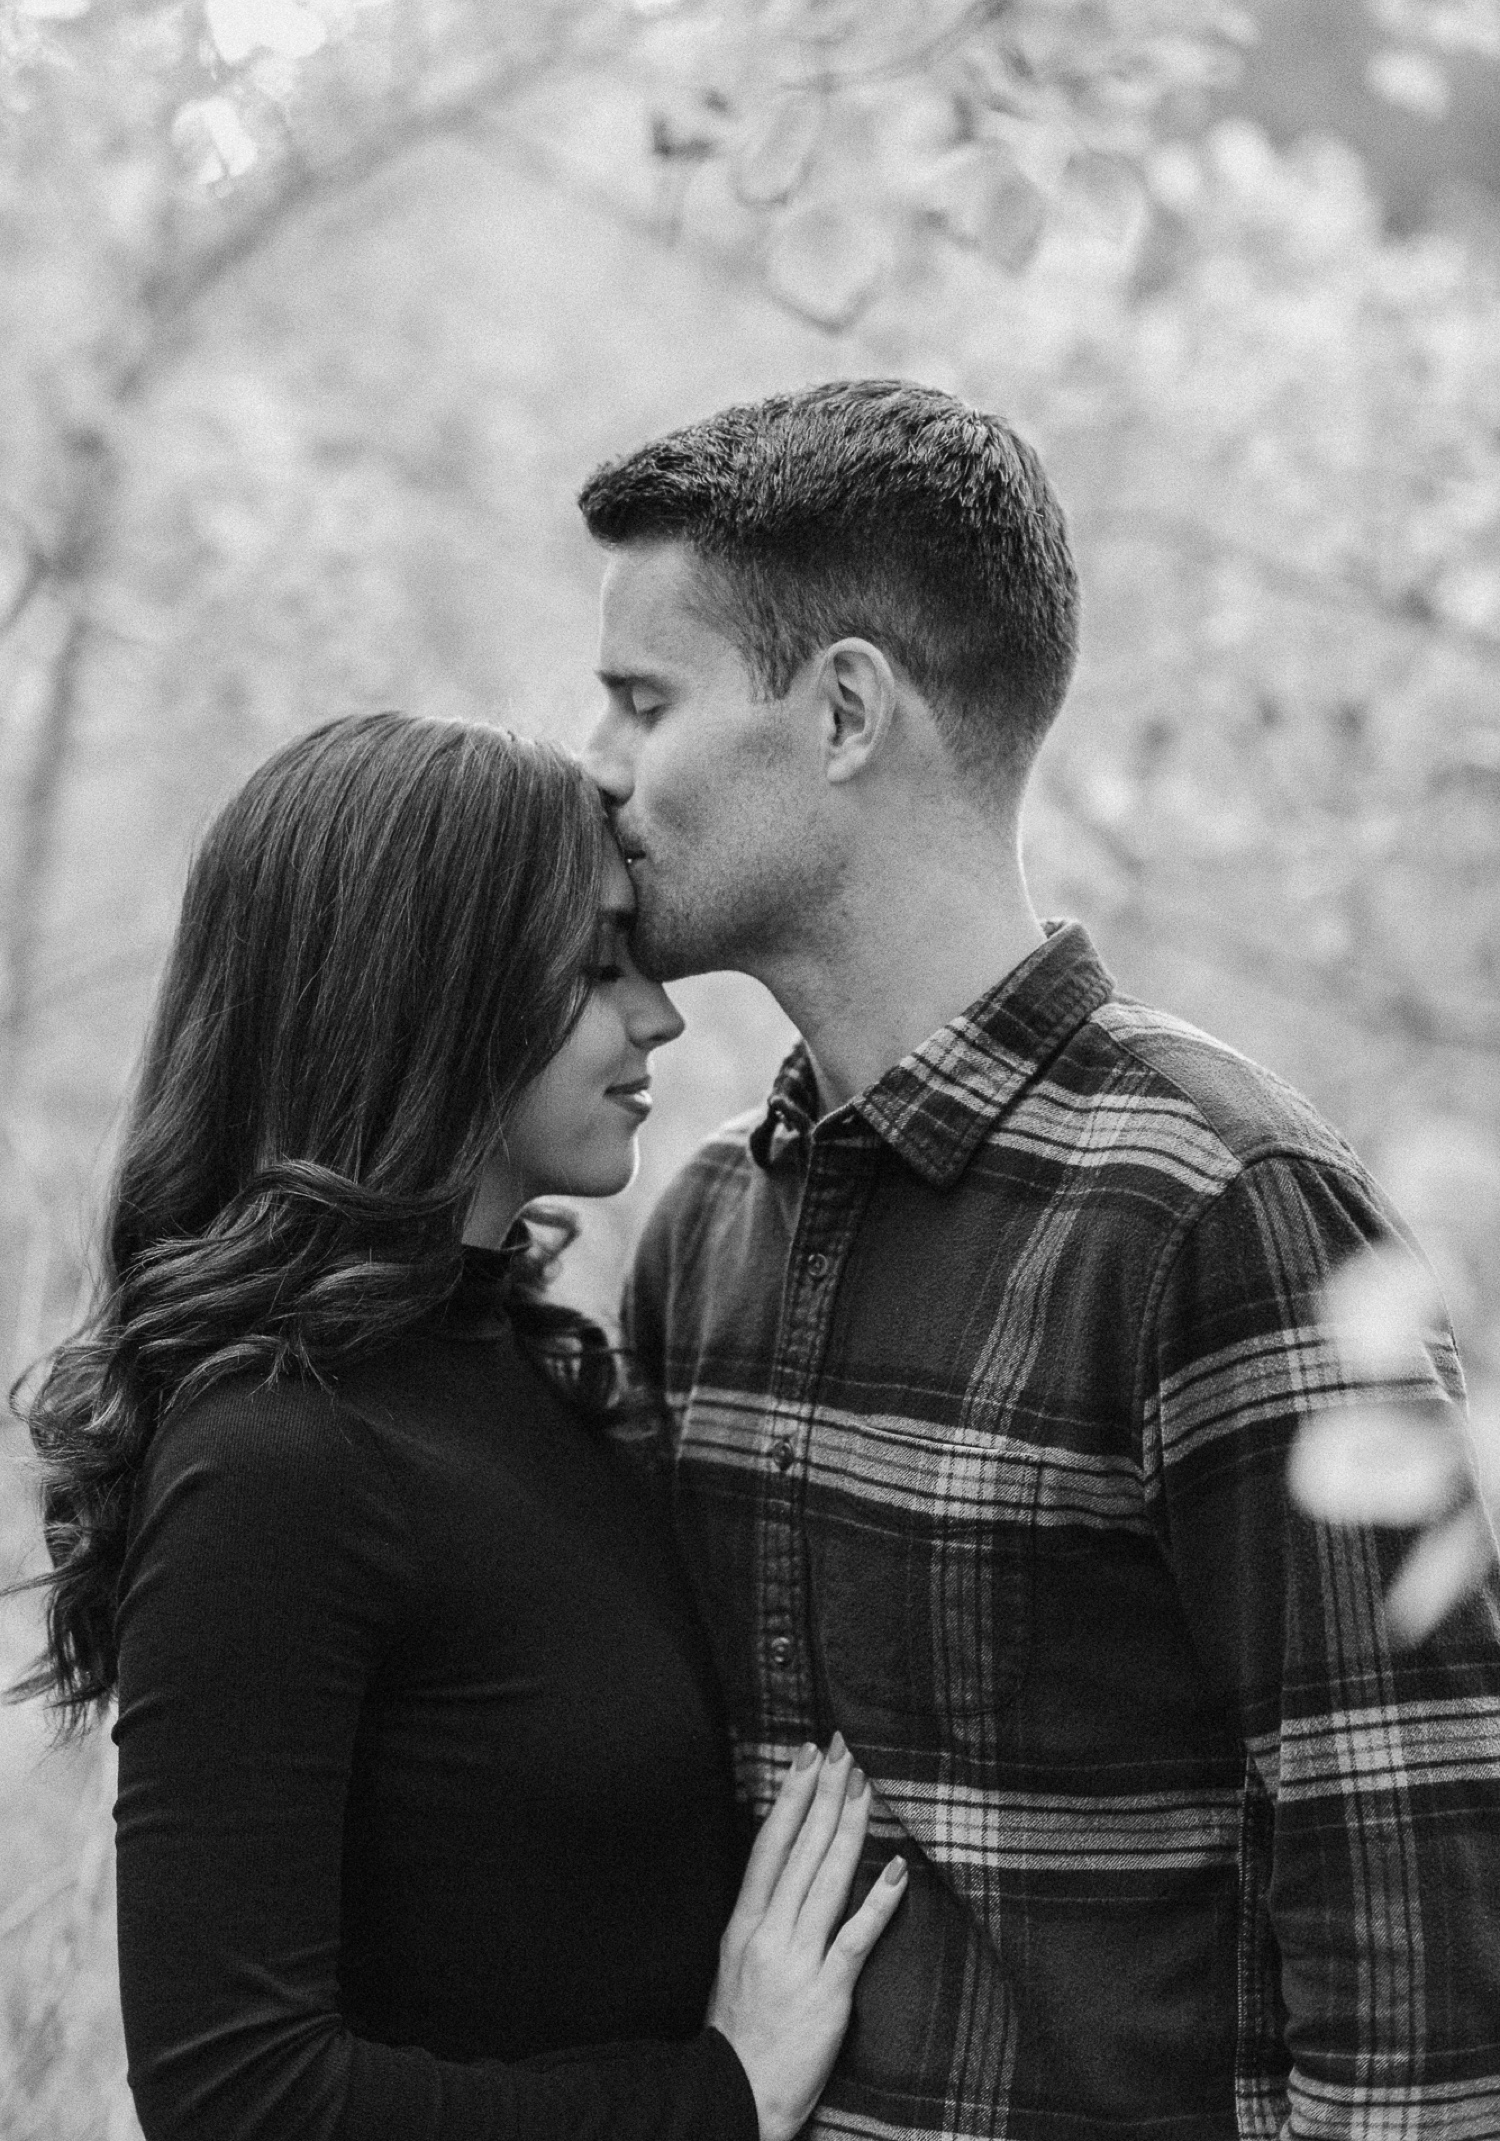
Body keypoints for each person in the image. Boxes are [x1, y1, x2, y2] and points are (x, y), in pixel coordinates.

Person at [577, 380, 1500, 2141]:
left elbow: (1423, 1964)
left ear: (845, 709)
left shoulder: (1224, 1212)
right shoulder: (702, 1234)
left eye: (644, 699)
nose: (600, 764)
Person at [10, 713, 908, 2141]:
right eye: (595, 964)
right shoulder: (275, 1457)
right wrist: (714, 2095)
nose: (658, 1014)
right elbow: (239, 2099)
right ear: (430, 993)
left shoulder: (549, 1383)